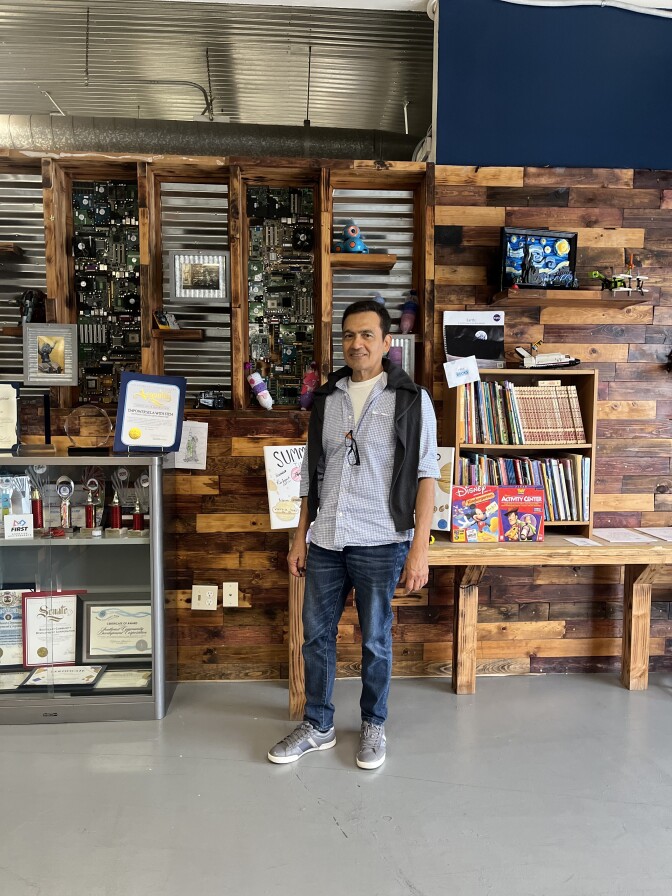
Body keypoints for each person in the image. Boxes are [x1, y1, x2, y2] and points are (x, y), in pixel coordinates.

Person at [268, 299, 439, 770]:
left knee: (376, 641)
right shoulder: (326, 399)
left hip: (382, 539)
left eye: (367, 335)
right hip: (326, 539)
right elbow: (310, 476)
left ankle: (373, 724)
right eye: (348, 335)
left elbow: (427, 475)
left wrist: (418, 550)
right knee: (315, 636)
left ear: (387, 342)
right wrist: (300, 538)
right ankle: (318, 725)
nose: (356, 343)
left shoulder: (410, 399)